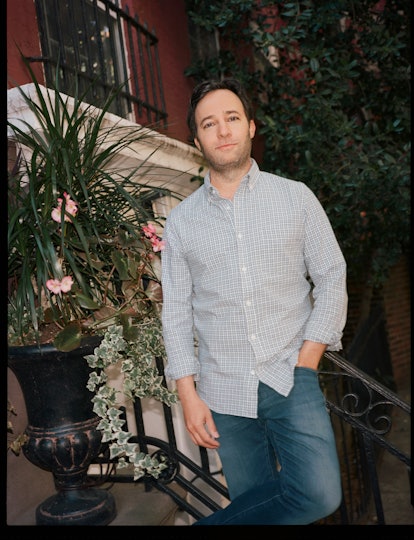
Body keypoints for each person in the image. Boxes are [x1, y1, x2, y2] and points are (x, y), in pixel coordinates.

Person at [161, 78, 348, 525]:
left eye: (231, 119)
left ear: (250, 126)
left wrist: (308, 359)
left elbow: (332, 277)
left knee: (321, 495)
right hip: (221, 389)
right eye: (209, 124)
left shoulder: (295, 197)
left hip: (290, 375)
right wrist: (187, 394)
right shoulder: (182, 221)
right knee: (258, 508)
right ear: (197, 140)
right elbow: (175, 312)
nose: (222, 130)